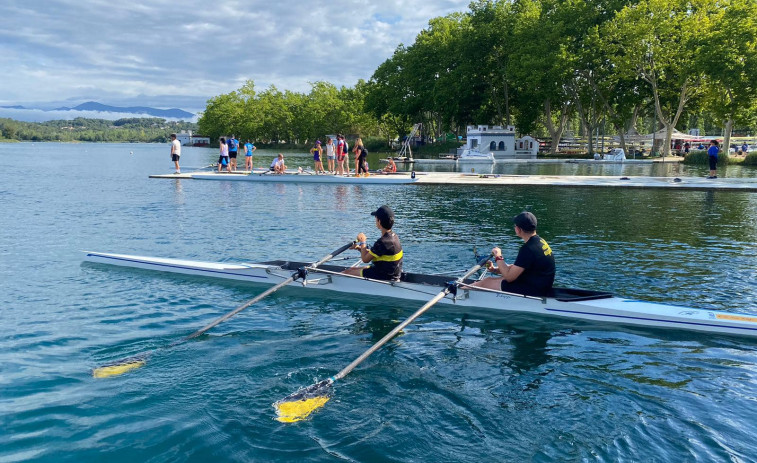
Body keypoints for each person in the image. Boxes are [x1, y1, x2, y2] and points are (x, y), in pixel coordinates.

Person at [472, 211, 555, 297]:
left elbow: (509, 277)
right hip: (541, 286)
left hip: (535, 291)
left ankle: (459, 292)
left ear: (519, 229)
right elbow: (517, 268)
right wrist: (494, 269)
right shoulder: (540, 241)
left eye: (515, 226)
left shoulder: (528, 249)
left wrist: (498, 255)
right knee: (490, 279)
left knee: (486, 282)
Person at [343, 205, 403, 281]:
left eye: (376, 218)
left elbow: (365, 259)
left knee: (346, 273)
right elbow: (373, 254)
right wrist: (357, 247)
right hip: (391, 273)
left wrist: (363, 241)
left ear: (379, 221)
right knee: (352, 269)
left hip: (384, 276)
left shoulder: (382, 242)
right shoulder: (393, 236)